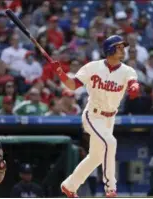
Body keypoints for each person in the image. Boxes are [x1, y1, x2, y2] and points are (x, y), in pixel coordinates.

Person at [50, 35, 140, 197]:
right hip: (93, 115)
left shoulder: (128, 70)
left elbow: (133, 81)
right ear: (110, 49)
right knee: (110, 142)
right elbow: (72, 85)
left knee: (96, 157)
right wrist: (60, 73)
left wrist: (134, 87)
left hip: (109, 118)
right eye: (119, 47)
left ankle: (69, 185)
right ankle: (110, 189)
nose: (122, 50)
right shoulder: (92, 67)